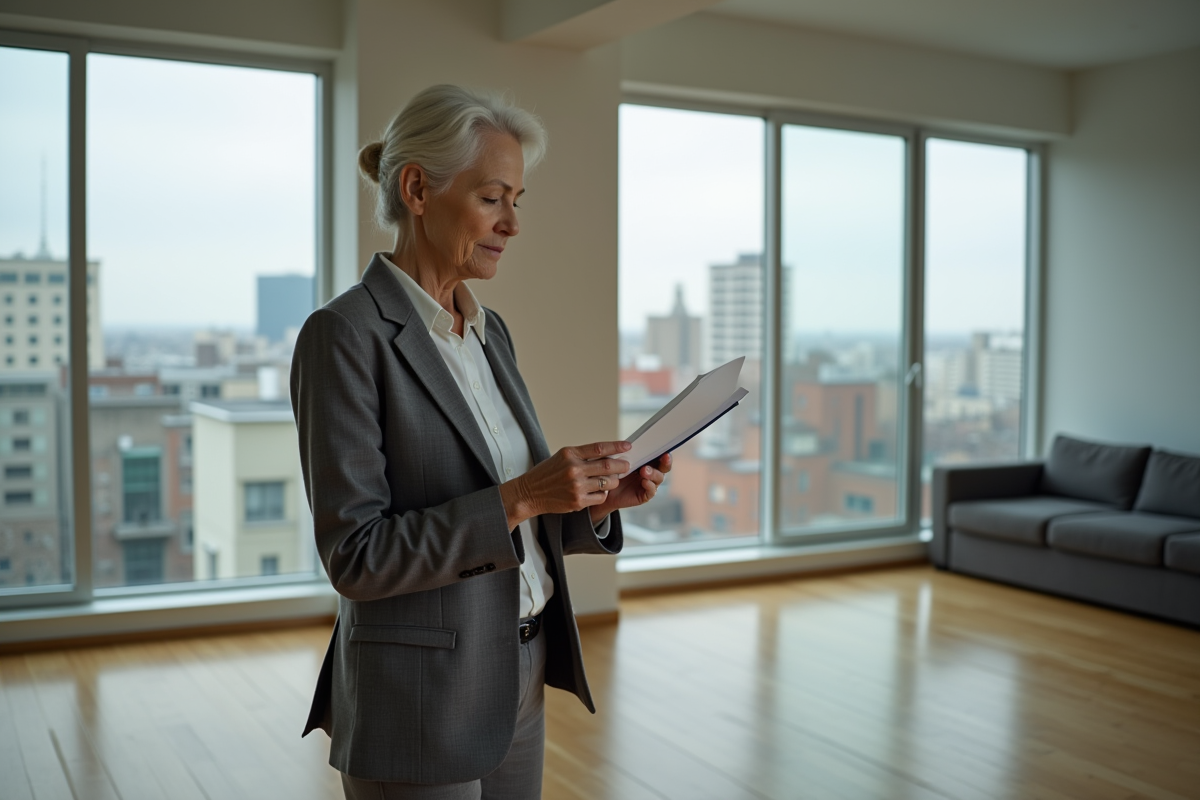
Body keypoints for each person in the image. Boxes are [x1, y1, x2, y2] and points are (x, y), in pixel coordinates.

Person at [291, 84, 671, 800]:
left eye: (517, 200)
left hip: (520, 672)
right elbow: (357, 557)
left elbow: (515, 519)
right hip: (419, 696)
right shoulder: (343, 337)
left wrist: (591, 503)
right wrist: (525, 494)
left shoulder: (490, 334)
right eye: (494, 197)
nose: (513, 223)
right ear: (417, 189)